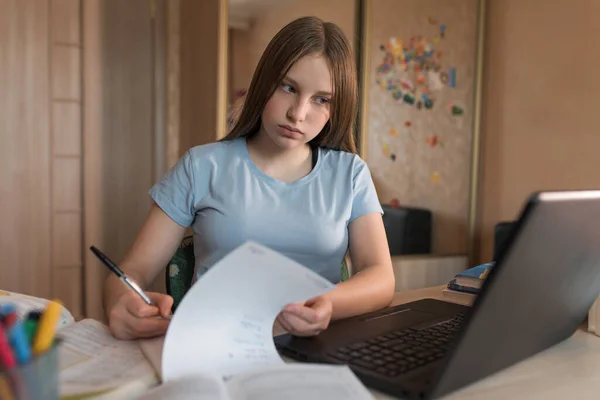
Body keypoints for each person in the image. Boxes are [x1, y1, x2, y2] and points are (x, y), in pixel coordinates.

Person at [103, 16, 395, 340]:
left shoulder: (350, 174)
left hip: (317, 352)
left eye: (321, 99)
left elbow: (380, 277)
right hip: (213, 347)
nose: (298, 114)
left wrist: (329, 304)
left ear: (336, 107)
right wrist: (120, 300)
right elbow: (132, 271)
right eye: (289, 87)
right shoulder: (201, 166)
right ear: (264, 82)